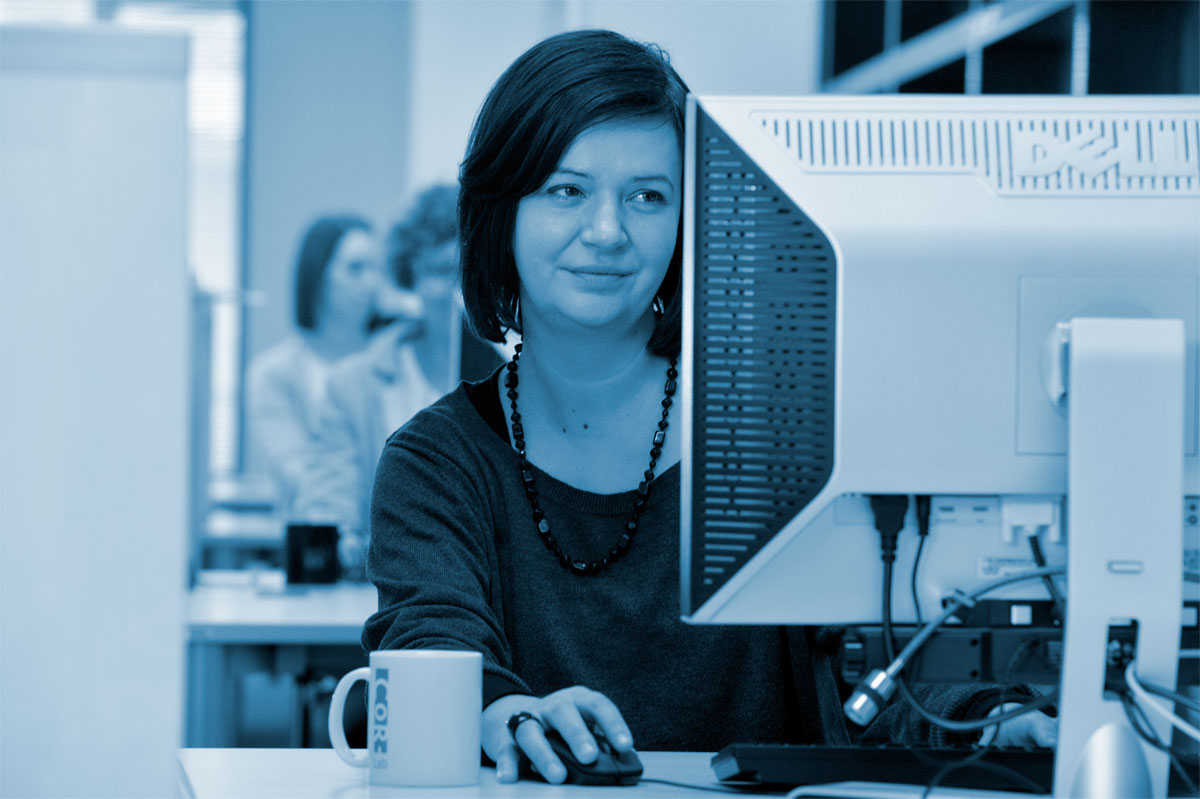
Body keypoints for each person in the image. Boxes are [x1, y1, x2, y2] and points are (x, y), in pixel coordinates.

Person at [362, 29, 1055, 785]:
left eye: (648, 196)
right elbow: (432, 643)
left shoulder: (782, 439)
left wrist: (994, 715)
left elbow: (883, 647)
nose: (607, 232)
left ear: (693, 223)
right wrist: (503, 711)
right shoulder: (434, 462)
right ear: (503, 212)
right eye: (567, 190)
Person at [296, 184, 501, 575]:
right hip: (391, 596)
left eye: (469, 271)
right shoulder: (352, 386)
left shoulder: (520, 379)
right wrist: (344, 541)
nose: (458, 290)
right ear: (410, 275)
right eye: (441, 272)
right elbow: (328, 503)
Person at [245, 214, 384, 516]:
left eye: (377, 268)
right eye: (356, 268)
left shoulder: (395, 360)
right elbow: (298, 472)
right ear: (318, 275)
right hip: (314, 542)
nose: (371, 283)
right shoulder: (273, 374)